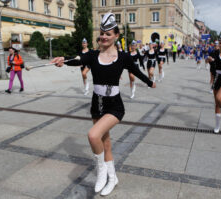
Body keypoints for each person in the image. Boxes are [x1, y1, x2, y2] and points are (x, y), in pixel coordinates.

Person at [51, 13, 156, 196]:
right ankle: (112, 177)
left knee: (93, 136)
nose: (104, 37)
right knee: (105, 143)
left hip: (114, 106)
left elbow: (136, 71)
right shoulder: (92, 55)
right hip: (96, 104)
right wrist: (63, 60)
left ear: (116, 35)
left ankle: (101, 172)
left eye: (108, 34)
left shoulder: (123, 57)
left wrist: (149, 82)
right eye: (101, 33)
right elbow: (78, 60)